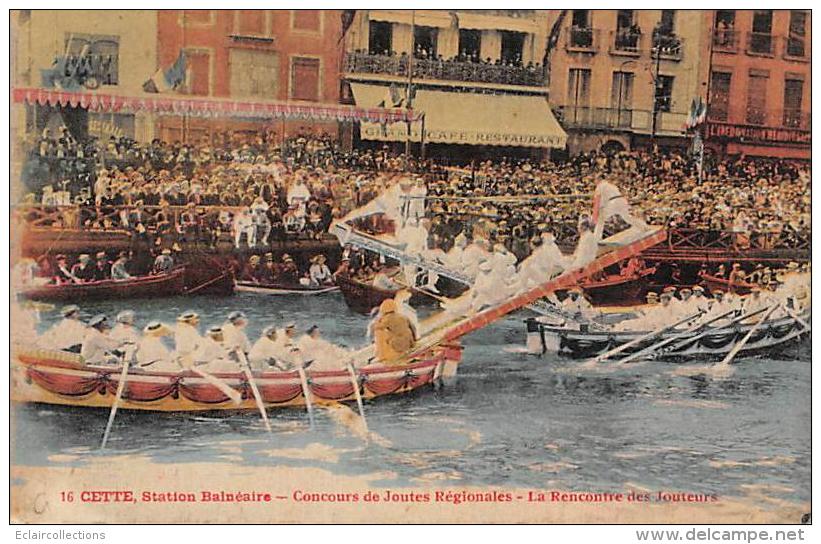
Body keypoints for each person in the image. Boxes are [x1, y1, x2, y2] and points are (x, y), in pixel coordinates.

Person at [591, 177, 648, 242]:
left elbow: (598, 200)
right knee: (628, 217)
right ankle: (644, 226)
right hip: (621, 200)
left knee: (601, 219)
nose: (594, 182)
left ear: (598, 180)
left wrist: (596, 213)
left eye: (595, 181)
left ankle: (596, 239)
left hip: (613, 202)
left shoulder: (600, 186)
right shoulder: (611, 185)